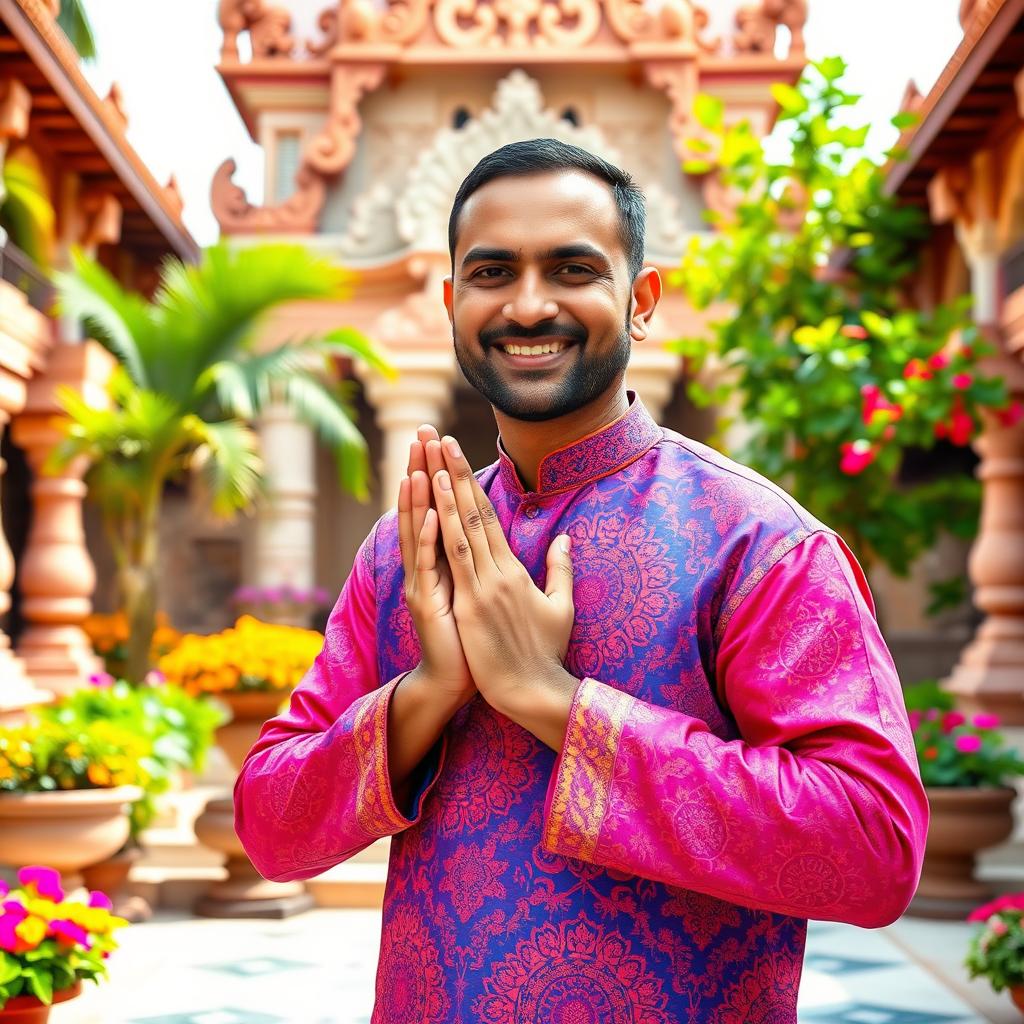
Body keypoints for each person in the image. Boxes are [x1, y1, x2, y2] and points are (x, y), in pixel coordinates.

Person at [234, 138, 929, 1023]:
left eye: (571, 269)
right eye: (492, 272)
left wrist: (552, 702)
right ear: (453, 303)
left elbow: (871, 851)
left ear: (640, 302)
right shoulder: (404, 552)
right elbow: (269, 826)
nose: (528, 305)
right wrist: (428, 690)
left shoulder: (756, 543)